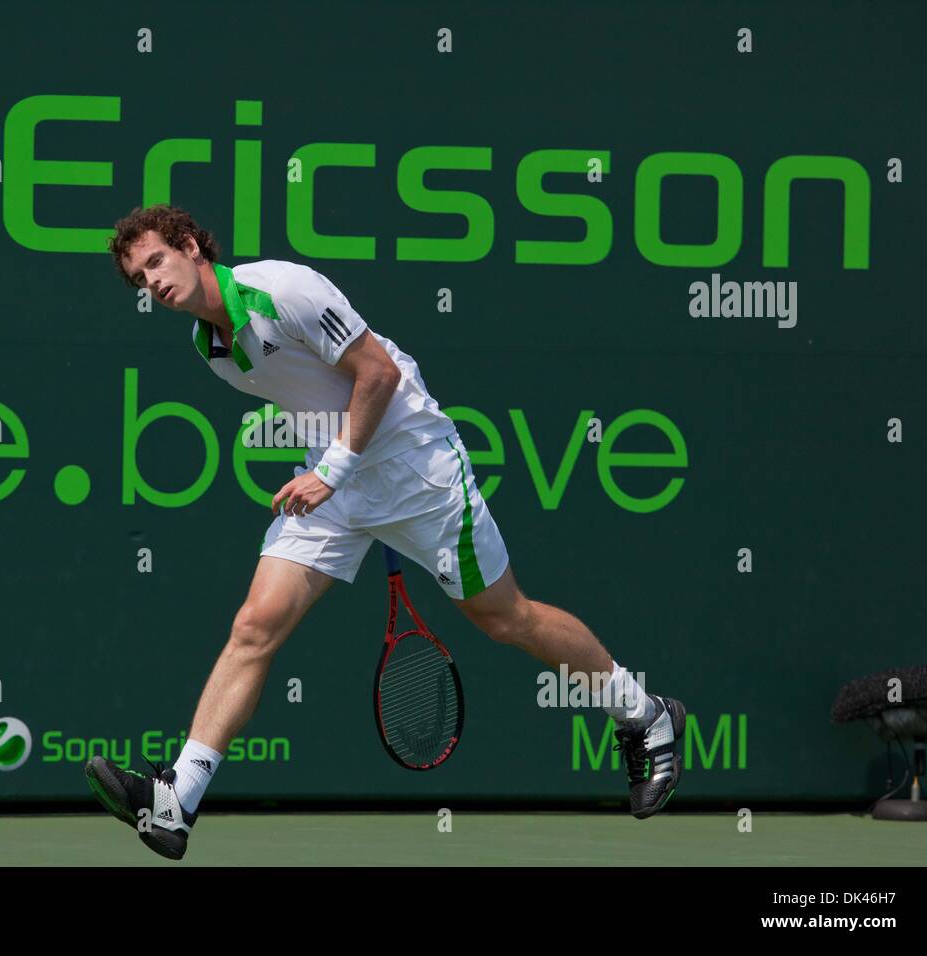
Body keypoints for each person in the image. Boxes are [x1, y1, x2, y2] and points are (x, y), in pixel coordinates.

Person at [86, 204, 685, 860]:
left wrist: (339, 470)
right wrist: (333, 472)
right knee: (256, 624)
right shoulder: (212, 349)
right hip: (334, 479)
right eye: (140, 281)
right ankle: (179, 798)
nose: (154, 283)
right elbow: (316, 396)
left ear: (193, 246)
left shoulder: (284, 290)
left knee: (506, 618)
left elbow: (379, 373)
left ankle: (644, 714)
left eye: (156, 262)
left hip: (414, 467)